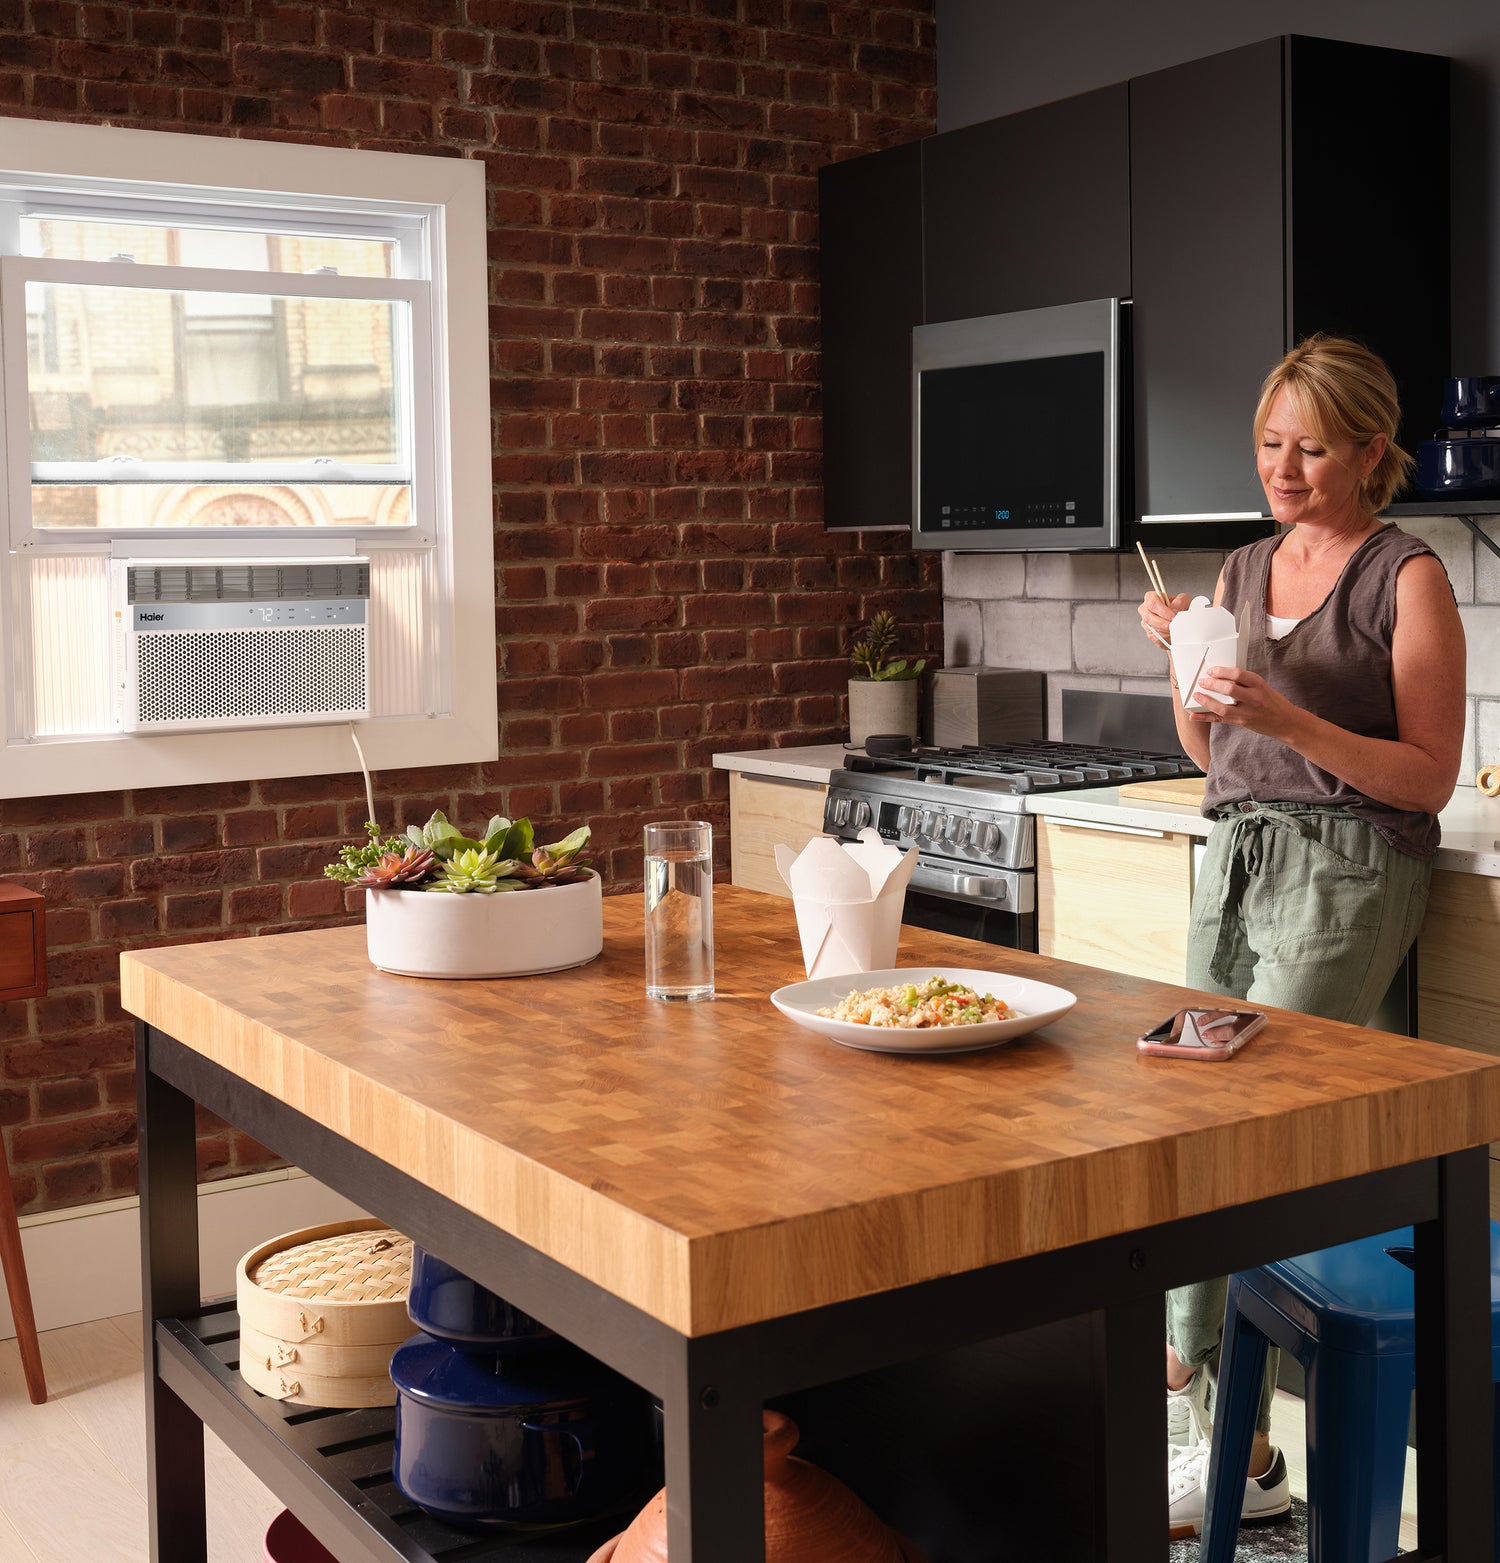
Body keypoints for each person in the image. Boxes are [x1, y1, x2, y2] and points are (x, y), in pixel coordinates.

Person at [1136, 334, 1467, 1537]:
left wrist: (1288, 717)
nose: (1282, 468)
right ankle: (1238, 1444)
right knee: (1188, 1113)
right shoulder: (1240, 569)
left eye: (1311, 449)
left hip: (1346, 869)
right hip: (1233, 861)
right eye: (1270, 443)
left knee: (1253, 1135)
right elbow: (1209, 752)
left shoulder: (1406, 576)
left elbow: (1427, 777)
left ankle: (1199, 1408)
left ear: (1373, 452)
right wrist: (1187, 666)